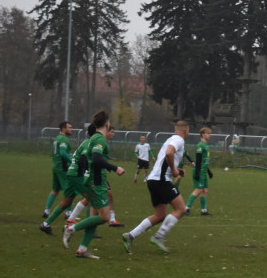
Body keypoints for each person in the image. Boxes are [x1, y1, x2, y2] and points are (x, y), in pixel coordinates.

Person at [61, 111, 126, 259]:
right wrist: (115, 168)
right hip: (97, 182)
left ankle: (82, 249)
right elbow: (96, 159)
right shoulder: (99, 140)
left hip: (91, 180)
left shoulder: (93, 139)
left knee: (96, 214)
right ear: (106, 123)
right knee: (105, 217)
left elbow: (86, 159)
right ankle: (71, 229)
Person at [121, 120, 191, 254]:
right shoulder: (179, 140)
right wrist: (173, 170)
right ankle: (159, 237)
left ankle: (130, 236)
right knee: (181, 209)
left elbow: (166, 157)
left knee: (159, 215)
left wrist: (176, 170)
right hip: (161, 180)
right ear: (186, 131)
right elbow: (169, 153)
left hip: (153, 179)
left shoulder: (171, 138)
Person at [40, 123, 93, 235]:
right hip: (71, 172)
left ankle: (46, 224)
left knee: (66, 201)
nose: (71, 129)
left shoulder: (61, 138)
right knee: (91, 198)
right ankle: (88, 229)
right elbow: (79, 157)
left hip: (67, 171)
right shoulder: (89, 143)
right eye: (69, 127)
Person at [42, 121, 73, 220]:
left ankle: (46, 210)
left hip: (55, 166)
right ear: (63, 128)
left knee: (55, 190)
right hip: (62, 167)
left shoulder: (57, 138)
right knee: (69, 190)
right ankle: (68, 213)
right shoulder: (63, 139)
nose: (71, 129)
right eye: (69, 127)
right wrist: (72, 162)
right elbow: (63, 153)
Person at [185, 127, 213, 215]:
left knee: (205, 191)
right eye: (207, 133)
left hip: (203, 172)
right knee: (198, 190)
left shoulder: (206, 146)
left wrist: (208, 171)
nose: (209, 135)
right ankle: (186, 208)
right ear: (203, 134)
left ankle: (203, 210)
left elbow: (204, 161)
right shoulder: (200, 145)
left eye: (209, 133)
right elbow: (198, 160)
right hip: (199, 171)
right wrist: (197, 172)